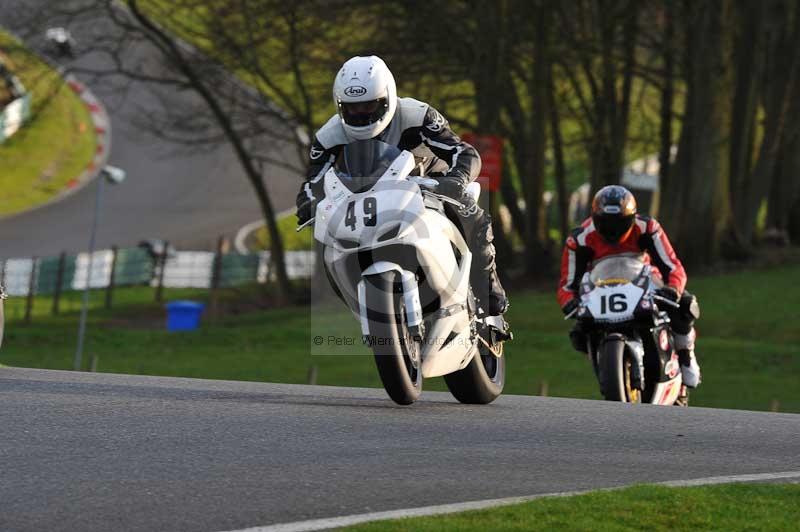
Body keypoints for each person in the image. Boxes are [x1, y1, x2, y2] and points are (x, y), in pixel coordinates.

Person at [296, 55, 508, 316]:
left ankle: (487, 286)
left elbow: (463, 153)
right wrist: (308, 203)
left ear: (387, 97)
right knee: (330, 241)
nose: (360, 115)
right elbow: (313, 181)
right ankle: (359, 299)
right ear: (341, 106)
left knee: (470, 212)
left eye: (369, 106)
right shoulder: (328, 136)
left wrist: (456, 180)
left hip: (430, 184)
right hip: (368, 198)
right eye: (352, 109)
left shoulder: (418, 115)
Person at [557, 185, 701, 388]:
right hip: (601, 289)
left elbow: (672, 265)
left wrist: (673, 288)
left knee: (685, 304)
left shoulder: (648, 227)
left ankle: (686, 355)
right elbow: (567, 283)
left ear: (632, 217)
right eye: (605, 223)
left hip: (644, 281)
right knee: (579, 332)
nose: (613, 229)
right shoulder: (579, 239)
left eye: (620, 223)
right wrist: (569, 302)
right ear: (594, 218)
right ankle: (603, 361)